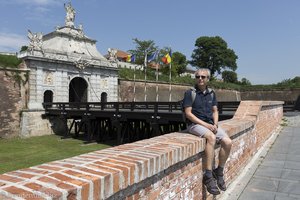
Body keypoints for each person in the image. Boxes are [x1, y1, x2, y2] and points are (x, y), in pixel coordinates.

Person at [182, 68, 232, 195]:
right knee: (211, 138)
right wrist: (207, 126)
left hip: (210, 124)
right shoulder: (190, 93)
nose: (200, 79)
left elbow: (215, 111)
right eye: (198, 76)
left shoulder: (211, 93)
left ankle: (219, 171)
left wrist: (215, 124)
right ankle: (208, 176)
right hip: (194, 125)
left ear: (208, 79)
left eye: (203, 77)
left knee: (227, 142)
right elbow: (188, 114)